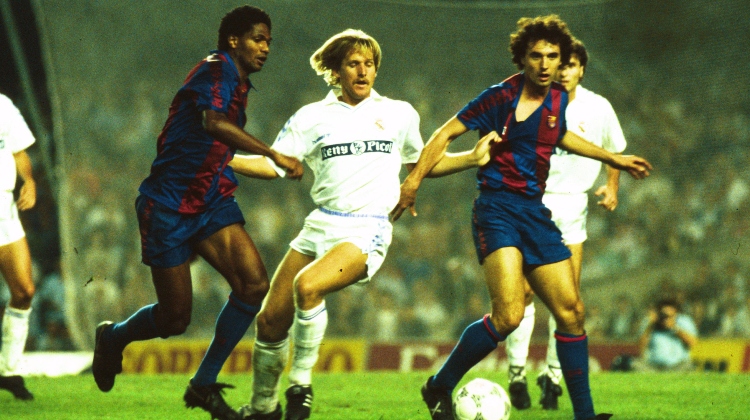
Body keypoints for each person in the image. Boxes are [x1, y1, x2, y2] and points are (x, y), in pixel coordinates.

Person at [391, 15, 652, 420]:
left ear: (562, 59)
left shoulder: (558, 98)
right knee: (509, 316)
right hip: (497, 210)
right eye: (536, 56)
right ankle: (439, 384)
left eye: (553, 56)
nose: (545, 64)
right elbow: (444, 134)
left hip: (534, 210)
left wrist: (612, 158)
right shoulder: (499, 97)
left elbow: (559, 135)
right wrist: (412, 182)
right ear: (522, 59)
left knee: (572, 312)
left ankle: (585, 415)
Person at [228, 29, 493, 420]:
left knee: (308, 286)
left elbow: (420, 164)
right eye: (353, 63)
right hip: (320, 224)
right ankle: (264, 408)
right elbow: (273, 166)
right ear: (336, 70)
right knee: (269, 321)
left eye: (369, 64)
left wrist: (470, 157)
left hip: (367, 227)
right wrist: (224, 160)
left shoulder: (399, 113)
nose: (363, 70)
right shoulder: (311, 117)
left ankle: (300, 386)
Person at [91, 6, 303, 420]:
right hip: (168, 205)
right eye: (258, 39)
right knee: (175, 319)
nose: (265, 48)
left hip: (211, 199)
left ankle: (203, 385)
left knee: (253, 286)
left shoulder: (238, 81)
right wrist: (272, 152)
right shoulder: (215, 70)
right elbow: (212, 123)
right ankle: (113, 337)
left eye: (269, 41)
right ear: (233, 40)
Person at [502, 39, 629, 411]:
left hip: (573, 204)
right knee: (524, 293)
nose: (563, 72)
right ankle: (516, 372)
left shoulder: (598, 107)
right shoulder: (532, 102)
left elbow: (615, 148)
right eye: (560, 65)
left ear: (581, 69)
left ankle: (553, 377)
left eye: (571, 65)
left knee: (568, 300)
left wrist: (612, 186)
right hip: (532, 203)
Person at [0, 93, 37, 401]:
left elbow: (19, 152)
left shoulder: (3, 105)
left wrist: (30, 181)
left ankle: (9, 371)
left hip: (5, 209)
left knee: (24, 291)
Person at [632, 297, 698, 371]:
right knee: (635, 364)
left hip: (678, 366)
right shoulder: (650, 322)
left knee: (689, 365)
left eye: (671, 315)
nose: (666, 318)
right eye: (664, 315)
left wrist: (674, 328)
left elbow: (692, 342)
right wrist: (650, 326)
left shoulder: (684, 321)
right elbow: (640, 348)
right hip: (654, 367)